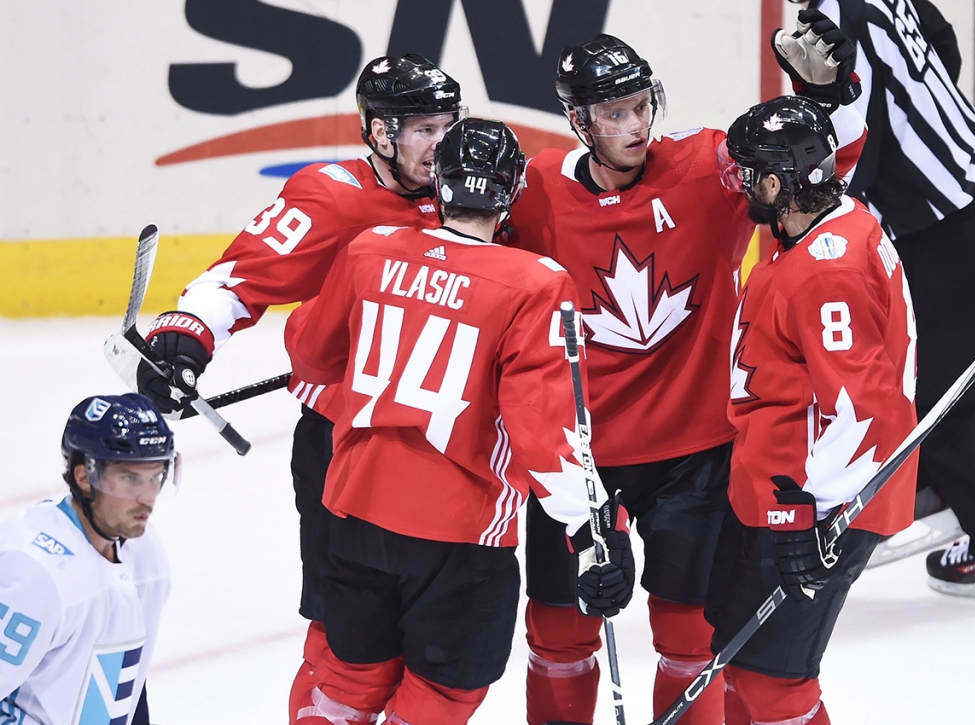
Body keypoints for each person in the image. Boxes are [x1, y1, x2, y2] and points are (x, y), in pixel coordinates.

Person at [506, 29, 866, 725]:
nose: (635, 125)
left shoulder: (708, 166)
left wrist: (828, 95)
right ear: (580, 121)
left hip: (697, 453)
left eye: (641, 106)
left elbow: (823, 159)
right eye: (614, 113)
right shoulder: (539, 191)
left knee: (690, 638)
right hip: (579, 461)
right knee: (557, 633)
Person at [133, 54, 467, 719]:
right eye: (424, 128)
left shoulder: (477, 189)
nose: (442, 143)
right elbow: (242, 274)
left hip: (449, 450)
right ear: (378, 134)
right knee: (347, 639)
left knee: (439, 642)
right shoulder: (335, 194)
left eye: (447, 125)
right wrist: (185, 333)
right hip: (344, 447)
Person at [284, 118, 635, 725]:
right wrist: (596, 529)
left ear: (439, 183)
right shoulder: (536, 282)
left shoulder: (369, 252)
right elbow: (542, 426)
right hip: (459, 530)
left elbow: (311, 354)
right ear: (513, 187)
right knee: (445, 692)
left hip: (353, 509)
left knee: (346, 682)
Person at [789, 0, 975, 595]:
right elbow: (944, 46)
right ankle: (938, 488)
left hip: (938, 228)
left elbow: (847, 154)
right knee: (915, 371)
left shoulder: (832, 21)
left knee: (936, 402)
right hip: (971, 188)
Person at [705, 94, 918, 725]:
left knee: (777, 683)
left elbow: (865, 410)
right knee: (742, 667)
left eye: (748, 173)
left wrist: (804, 512)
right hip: (776, 486)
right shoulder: (821, 221)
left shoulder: (828, 273)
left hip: (813, 505)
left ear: (777, 182)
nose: (739, 183)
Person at [0, 393, 178, 725]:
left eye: (155, 476)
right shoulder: (32, 571)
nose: (146, 497)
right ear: (84, 477)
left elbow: (126, 686)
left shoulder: (146, 554)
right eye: (129, 478)